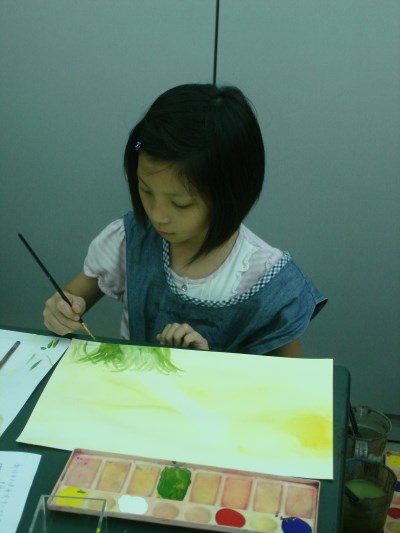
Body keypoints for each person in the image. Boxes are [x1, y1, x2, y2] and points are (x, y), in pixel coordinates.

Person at [43, 83, 327, 356]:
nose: (157, 215)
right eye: (145, 190)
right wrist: (61, 312)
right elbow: (69, 299)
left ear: (231, 196)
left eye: (181, 203)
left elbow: (291, 382)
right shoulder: (129, 240)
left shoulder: (269, 280)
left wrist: (203, 366)